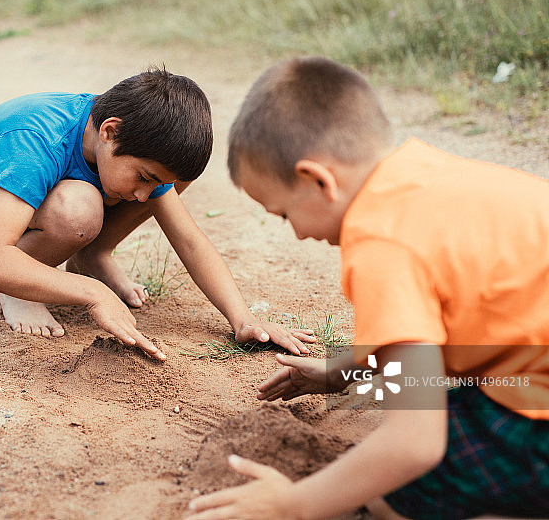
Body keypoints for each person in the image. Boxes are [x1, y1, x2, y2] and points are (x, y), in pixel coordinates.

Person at [187, 56, 549, 519]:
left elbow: (415, 445)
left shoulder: (379, 244)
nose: (294, 233)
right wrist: (341, 372)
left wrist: (293, 505)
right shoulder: (424, 174)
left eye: (283, 213)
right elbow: (427, 341)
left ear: (318, 180)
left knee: (383, 498)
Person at [0, 67, 315, 362]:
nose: (142, 196)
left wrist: (243, 319)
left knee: (166, 183)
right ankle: (19, 286)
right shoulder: (38, 139)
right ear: (110, 131)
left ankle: (92, 255)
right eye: (142, 176)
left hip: (49, 202)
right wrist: (94, 294)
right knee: (79, 210)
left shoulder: (122, 144)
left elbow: (188, 238)